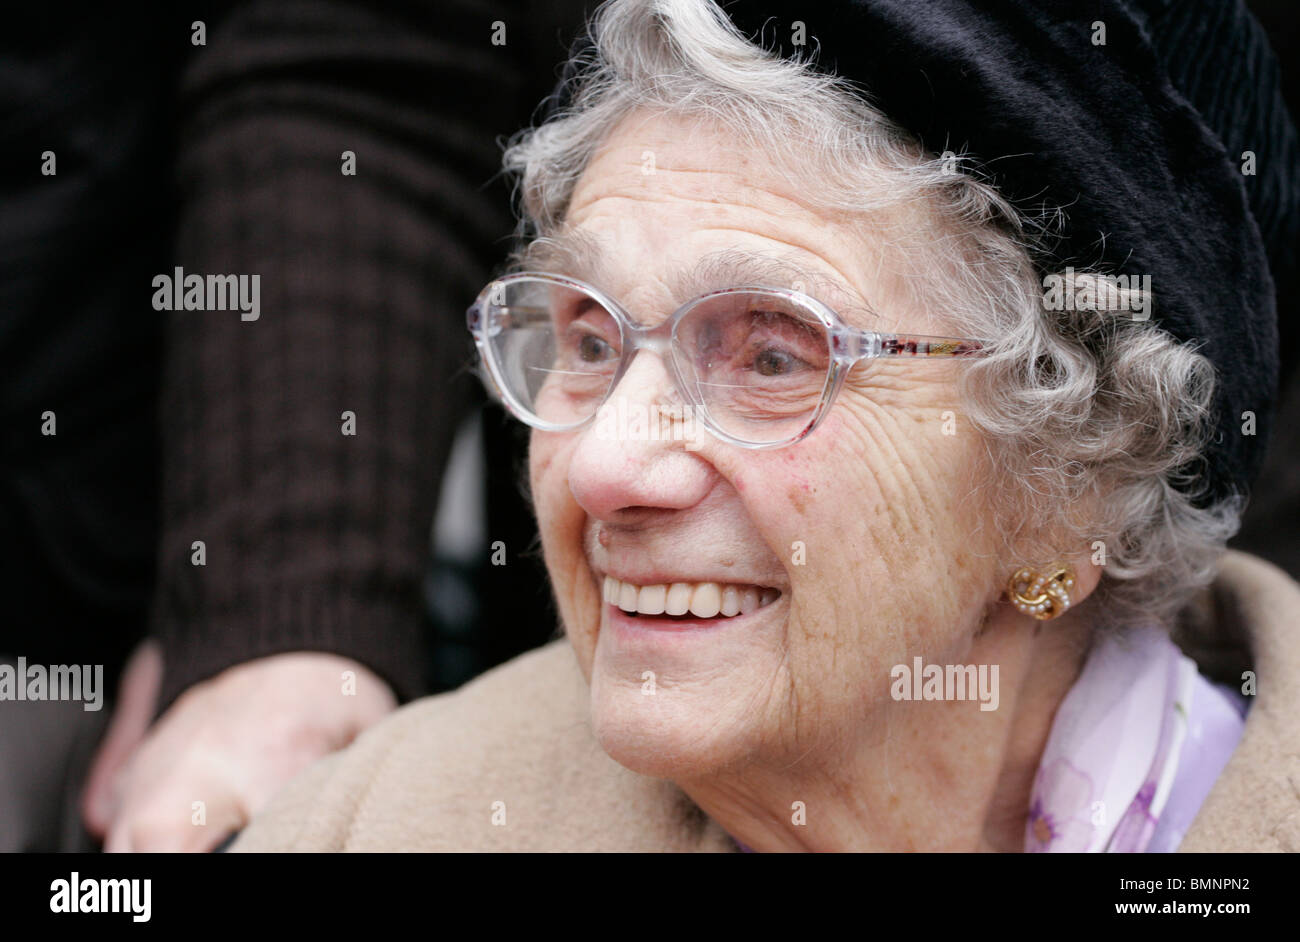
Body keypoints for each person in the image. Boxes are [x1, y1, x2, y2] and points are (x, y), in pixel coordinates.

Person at [229, 0, 1300, 852]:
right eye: (590, 340)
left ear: (1071, 486)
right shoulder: (364, 830)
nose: (606, 464)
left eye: (774, 356)